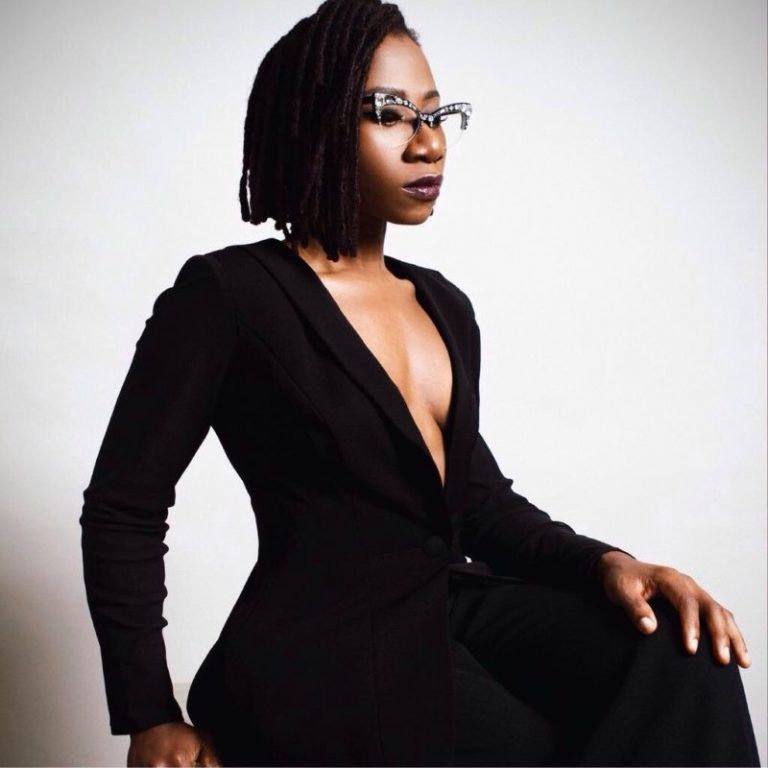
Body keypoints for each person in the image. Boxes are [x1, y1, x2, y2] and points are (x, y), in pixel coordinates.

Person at [79, 1, 761, 766]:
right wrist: (149, 713)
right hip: (321, 642)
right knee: (524, 750)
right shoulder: (229, 296)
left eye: (436, 115)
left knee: (682, 654)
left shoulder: (442, 304)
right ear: (316, 123)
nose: (428, 142)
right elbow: (124, 508)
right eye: (389, 114)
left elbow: (479, 503)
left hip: (449, 609)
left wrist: (610, 564)